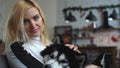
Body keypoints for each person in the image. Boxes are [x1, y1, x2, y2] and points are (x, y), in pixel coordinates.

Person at [3, 0, 80, 68]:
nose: (33, 25)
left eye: (36, 18)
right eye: (25, 22)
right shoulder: (16, 48)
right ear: (17, 25)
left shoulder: (50, 44)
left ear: (42, 18)